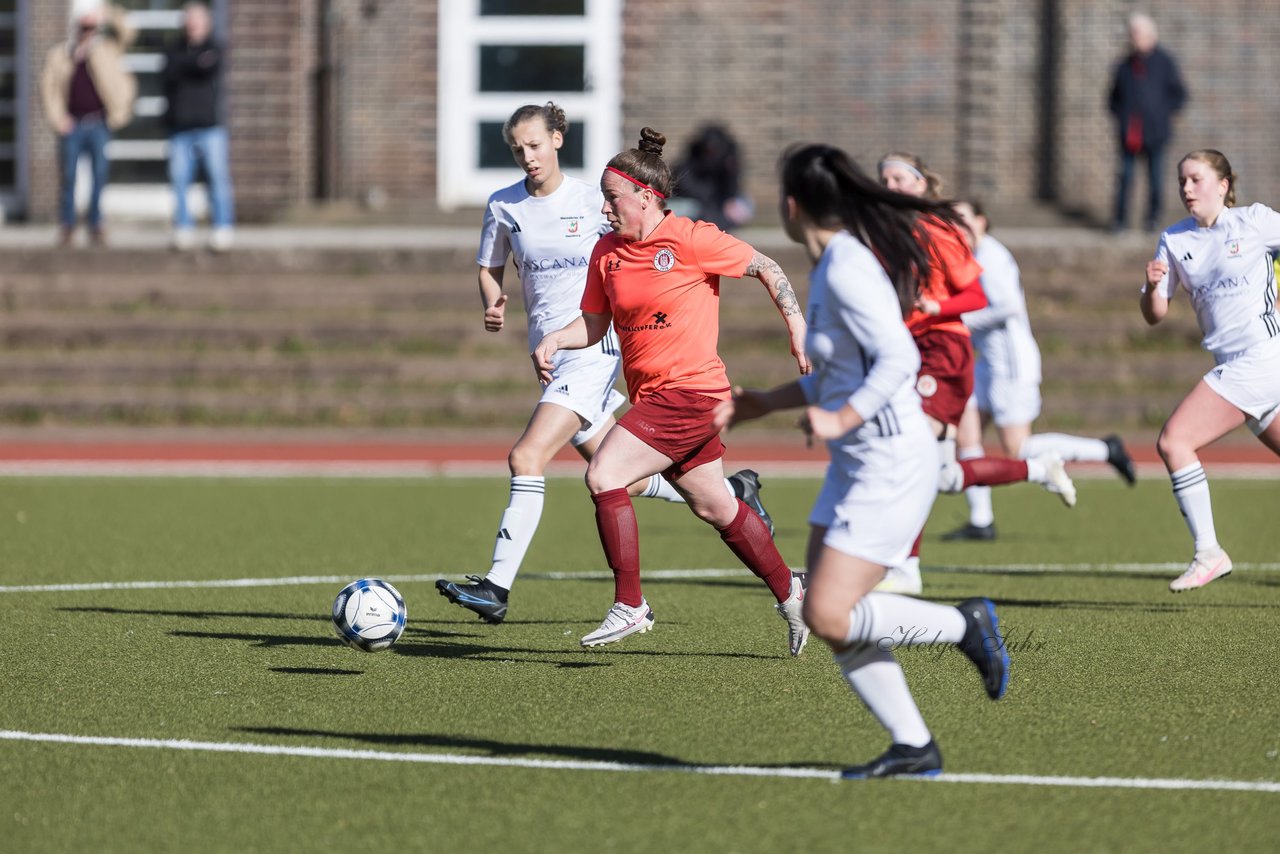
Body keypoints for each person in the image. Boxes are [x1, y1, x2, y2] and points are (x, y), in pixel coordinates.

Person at [717, 143, 1009, 778]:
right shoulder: (829, 267)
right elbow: (836, 374)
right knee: (828, 614)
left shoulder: (847, 266)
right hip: (858, 461)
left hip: (892, 457)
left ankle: (965, 625)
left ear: (791, 206)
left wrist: (841, 418)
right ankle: (913, 746)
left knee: (827, 611)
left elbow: (900, 360)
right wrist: (764, 403)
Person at [435, 107, 774, 626]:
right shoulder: (503, 205)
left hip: (593, 351)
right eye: (517, 149)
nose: (527, 157)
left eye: (535, 145)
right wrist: (494, 299)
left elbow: (641, 237)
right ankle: (732, 492)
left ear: (556, 139)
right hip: (554, 351)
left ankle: (497, 586)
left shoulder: (595, 203)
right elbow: (490, 266)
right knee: (626, 477)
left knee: (527, 457)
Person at [533, 127, 810, 653]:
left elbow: (767, 268)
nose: (605, 208)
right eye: (602, 198)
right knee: (715, 506)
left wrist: (795, 325)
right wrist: (555, 340)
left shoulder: (690, 237)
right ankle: (790, 590)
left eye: (613, 198)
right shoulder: (606, 253)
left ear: (646, 197)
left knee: (604, 474)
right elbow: (593, 324)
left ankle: (630, 605)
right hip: (656, 397)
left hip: (692, 394)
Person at [877, 152, 1076, 593]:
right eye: (883, 177)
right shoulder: (885, 232)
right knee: (945, 475)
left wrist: (936, 307)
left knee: (909, 451)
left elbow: (977, 296)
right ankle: (1040, 469)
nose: (889, 184)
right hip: (908, 350)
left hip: (942, 351)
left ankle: (905, 568)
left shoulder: (937, 228)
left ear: (922, 184)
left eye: (899, 177)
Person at [945, 199, 1136, 541]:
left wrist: (958, 321)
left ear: (982, 222)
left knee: (1018, 448)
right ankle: (981, 521)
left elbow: (1008, 307)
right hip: (987, 362)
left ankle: (1107, 450)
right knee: (966, 433)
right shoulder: (966, 255)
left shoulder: (991, 256)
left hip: (1012, 365)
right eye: (951, 221)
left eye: (963, 219)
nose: (956, 227)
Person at [1142, 149, 1280, 591]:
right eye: (1182, 181)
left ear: (1222, 186)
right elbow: (1155, 314)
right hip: (1238, 366)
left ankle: (1209, 553)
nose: (1186, 189)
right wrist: (1150, 285)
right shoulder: (1175, 239)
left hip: (1260, 359)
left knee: (1174, 440)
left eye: (1196, 180)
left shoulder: (1254, 221)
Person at [39, 0, 137, 247]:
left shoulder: (107, 49)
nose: (88, 32)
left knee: (99, 175)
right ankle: (68, 225)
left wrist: (109, 14)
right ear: (76, 27)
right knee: (69, 176)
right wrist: (57, 118)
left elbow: (129, 31)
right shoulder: (61, 54)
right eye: (84, 27)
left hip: (99, 124)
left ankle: (96, 224)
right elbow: (48, 89)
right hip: (72, 124)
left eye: (92, 28)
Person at [164, 1, 235, 252]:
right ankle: (183, 227)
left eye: (198, 20)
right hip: (180, 128)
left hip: (210, 127)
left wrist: (189, 65)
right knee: (179, 181)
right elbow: (172, 71)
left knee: (217, 179)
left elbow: (208, 67)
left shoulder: (214, 47)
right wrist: (194, 63)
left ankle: (222, 226)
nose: (193, 25)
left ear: (207, 23)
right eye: (189, 20)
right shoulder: (174, 49)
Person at [1108, 12, 1188, 234]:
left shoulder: (1165, 62)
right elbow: (1112, 98)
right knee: (1125, 177)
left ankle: (1152, 219)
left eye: (1138, 33)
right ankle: (1120, 221)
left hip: (1156, 132)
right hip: (1130, 133)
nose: (1134, 38)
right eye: (1132, 34)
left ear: (1150, 35)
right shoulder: (1124, 65)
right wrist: (1122, 117)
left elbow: (1179, 95)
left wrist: (1161, 113)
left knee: (1155, 179)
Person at [673, 125, 752, 231]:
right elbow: (684, 183)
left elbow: (732, 189)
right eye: (708, 150)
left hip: (721, 200)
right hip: (697, 200)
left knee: (746, 206)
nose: (711, 153)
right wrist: (707, 195)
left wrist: (730, 169)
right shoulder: (693, 159)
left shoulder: (727, 159)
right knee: (685, 208)